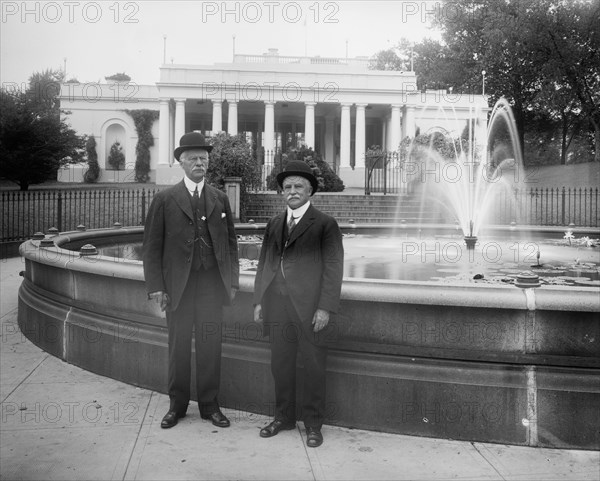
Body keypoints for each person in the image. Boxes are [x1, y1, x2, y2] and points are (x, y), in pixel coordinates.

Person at [143, 131, 239, 429]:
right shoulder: (164, 199)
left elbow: (231, 245)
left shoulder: (219, 198)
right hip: (178, 287)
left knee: (211, 346)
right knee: (179, 347)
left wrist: (232, 282)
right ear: (181, 163)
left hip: (211, 285)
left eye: (204, 158)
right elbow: (151, 248)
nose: (200, 163)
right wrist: (157, 286)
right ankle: (177, 406)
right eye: (194, 158)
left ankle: (210, 406)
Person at [253, 160, 344, 448]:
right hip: (277, 306)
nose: (292, 191)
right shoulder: (275, 223)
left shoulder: (325, 225)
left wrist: (325, 307)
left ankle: (314, 425)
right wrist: (259, 302)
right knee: (280, 365)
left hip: (309, 309)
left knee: (314, 367)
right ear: (282, 192)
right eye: (287, 187)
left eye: (298, 186)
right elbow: (264, 264)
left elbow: (333, 268)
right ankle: (284, 418)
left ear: (310, 191)